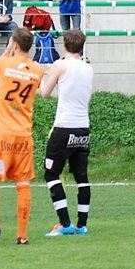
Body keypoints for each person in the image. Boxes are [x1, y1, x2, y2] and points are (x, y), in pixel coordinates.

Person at [0, 26, 45, 246]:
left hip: (0, 132)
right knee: (23, 183)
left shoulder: (3, 63)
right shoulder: (37, 70)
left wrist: (6, 53)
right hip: (23, 134)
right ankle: (22, 235)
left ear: (14, 44)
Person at [40, 28, 94, 236]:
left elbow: (45, 92)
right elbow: (69, 89)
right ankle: (82, 225)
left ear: (64, 44)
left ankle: (64, 224)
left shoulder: (59, 65)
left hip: (64, 127)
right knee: (81, 176)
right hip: (83, 128)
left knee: (51, 173)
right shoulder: (88, 68)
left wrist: (40, 76)